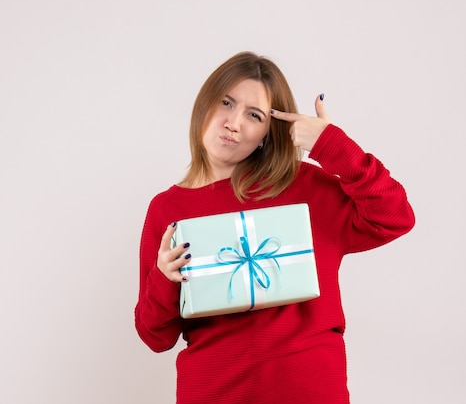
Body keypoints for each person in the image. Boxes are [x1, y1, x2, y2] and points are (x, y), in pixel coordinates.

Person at [134, 51, 415, 403]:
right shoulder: (167, 209)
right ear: (204, 104)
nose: (233, 123)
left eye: (254, 115)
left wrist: (330, 143)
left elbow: (395, 215)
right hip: (211, 390)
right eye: (226, 102)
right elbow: (154, 336)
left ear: (268, 132)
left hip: (309, 389)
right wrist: (163, 278)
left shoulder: (305, 187)